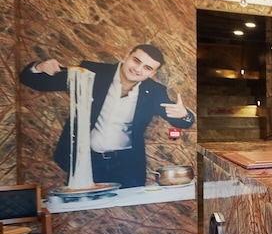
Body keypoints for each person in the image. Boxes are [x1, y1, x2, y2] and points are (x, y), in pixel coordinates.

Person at [20, 44, 194, 188]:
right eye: (136, 60)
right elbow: (36, 81)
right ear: (127, 56)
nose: (138, 69)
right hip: (87, 161)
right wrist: (39, 67)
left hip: (127, 165)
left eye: (147, 68)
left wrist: (185, 115)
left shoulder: (154, 91)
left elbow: (181, 120)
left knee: (126, 214)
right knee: (84, 212)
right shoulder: (92, 73)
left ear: (152, 73)